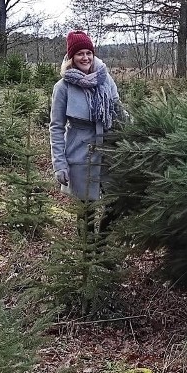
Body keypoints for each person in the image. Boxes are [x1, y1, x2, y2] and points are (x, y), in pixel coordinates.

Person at [49, 30, 128, 235]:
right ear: (71, 58)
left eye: (88, 53)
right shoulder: (63, 87)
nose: (85, 57)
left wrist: (140, 129)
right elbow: (56, 127)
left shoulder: (105, 79)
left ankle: (101, 244)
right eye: (79, 54)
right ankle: (87, 255)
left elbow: (118, 110)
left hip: (108, 151)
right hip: (80, 154)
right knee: (86, 211)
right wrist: (59, 164)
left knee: (116, 202)